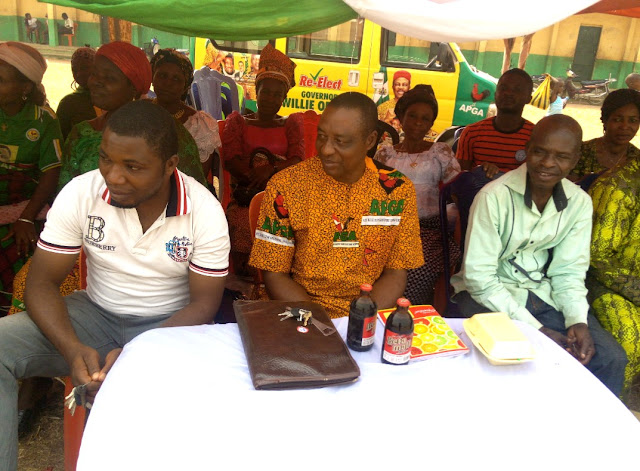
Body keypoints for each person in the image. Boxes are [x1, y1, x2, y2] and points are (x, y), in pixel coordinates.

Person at [0, 100, 230, 471]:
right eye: (106, 159)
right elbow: (41, 283)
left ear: (170, 165)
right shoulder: (82, 192)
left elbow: (204, 305)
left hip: (170, 326)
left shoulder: (204, 211)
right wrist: (72, 349)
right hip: (93, 315)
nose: (113, 176)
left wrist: (137, 351)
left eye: (133, 167)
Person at [451, 115, 627, 396]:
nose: (547, 163)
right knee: (522, 358)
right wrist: (537, 330)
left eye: (561, 156)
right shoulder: (494, 197)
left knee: (610, 358)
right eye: (540, 152)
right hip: (487, 295)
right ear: (527, 149)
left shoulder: (579, 203)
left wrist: (577, 320)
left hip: (542, 293)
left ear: (575, 159)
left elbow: (569, 271)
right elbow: (479, 278)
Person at [249, 92, 424, 318]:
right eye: (322, 136)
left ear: (370, 141)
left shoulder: (397, 190)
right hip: (297, 310)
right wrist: (320, 322)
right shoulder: (287, 185)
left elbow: (396, 272)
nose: (326, 149)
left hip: (368, 310)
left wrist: (359, 319)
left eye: (340, 141)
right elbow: (274, 273)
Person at [59, 41, 206, 189]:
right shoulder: (81, 134)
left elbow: (192, 192)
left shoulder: (166, 132)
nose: (97, 82)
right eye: (94, 74)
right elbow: (66, 194)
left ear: (134, 88)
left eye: (109, 78)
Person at [223, 43, 304, 276]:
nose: (270, 98)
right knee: (242, 220)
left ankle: (276, 280)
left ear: (284, 97)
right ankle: (246, 280)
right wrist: (255, 178)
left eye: (277, 94)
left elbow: (297, 160)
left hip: (282, 197)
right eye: (266, 92)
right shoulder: (239, 122)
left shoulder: (290, 124)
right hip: (247, 195)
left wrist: (270, 170)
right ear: (256, 92)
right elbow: (231, 160)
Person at [374, 85, 460, 305]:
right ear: (401, 117)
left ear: (431, 124)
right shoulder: (385, 154)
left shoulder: (439, 152)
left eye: (425, 118)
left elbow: (458, 188)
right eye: (412, 116)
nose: (418, 122)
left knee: (418, 268)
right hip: (389, 227)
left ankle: (407, 314)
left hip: (427, 229)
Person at [0, 42, 62, 312]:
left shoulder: (44, 120)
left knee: (20, 251)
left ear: (25, 88)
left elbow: (51, 171)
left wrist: (26, 218)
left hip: (25, 207)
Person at [588, 157, 640, 397]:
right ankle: (615, 408)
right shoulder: (618, 185)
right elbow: (597, 257)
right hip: (604, 282)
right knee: (630, 336)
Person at [150, 48, 221, 179]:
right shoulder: (140, 112)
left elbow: (199, 178)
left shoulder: (200, 125)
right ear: (152, 78)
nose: (168, 83)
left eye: (176, 79)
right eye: (162, 76)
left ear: (186, 86)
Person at [456, 68, 534, 178]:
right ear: (495, 93)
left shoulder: (536, 137)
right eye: (503, 88)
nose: (508, 93)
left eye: (517, 90)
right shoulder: (471, 133)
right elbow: (460, 180)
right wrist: (480, 171)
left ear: (529, 98)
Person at [571, 88, 640, 180]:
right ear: (605, 120)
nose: (624, 127)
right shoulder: (580, 153)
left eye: (633, 120)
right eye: (617, 120)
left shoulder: (637, 159)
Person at [56, 47, 97, 139]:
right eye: (74, 70)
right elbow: (61, 139)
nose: (79, 74)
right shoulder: (68, 103)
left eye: (84, 68)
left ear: (97, 68)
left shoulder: (110, 97)